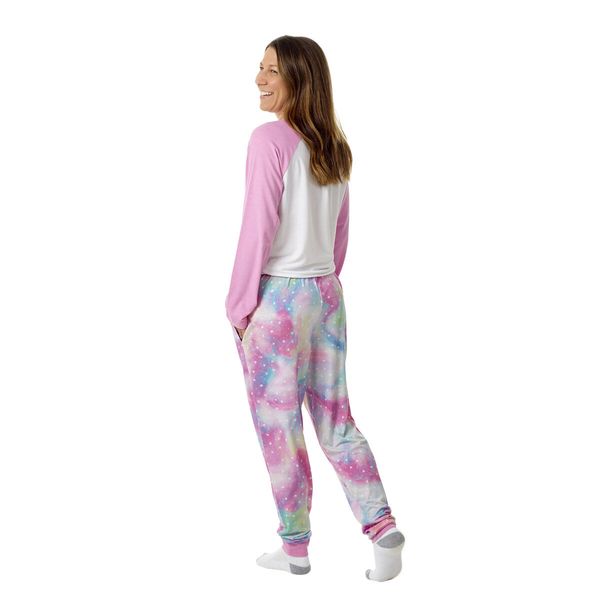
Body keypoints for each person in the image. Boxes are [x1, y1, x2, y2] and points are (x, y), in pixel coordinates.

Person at [224, 35, 405, 582]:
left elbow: (258, 226)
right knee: (336, 419)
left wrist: (239, 305)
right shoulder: (333, 146)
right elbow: (340, 234)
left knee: (280, 429)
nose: (259, 79)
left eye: (271, 70)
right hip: (326, 294)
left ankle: (296, 548)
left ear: (299, 79)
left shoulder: (268, 140)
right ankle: (381, 527)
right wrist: (321, 282)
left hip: (277, 299)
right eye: (260, 68)